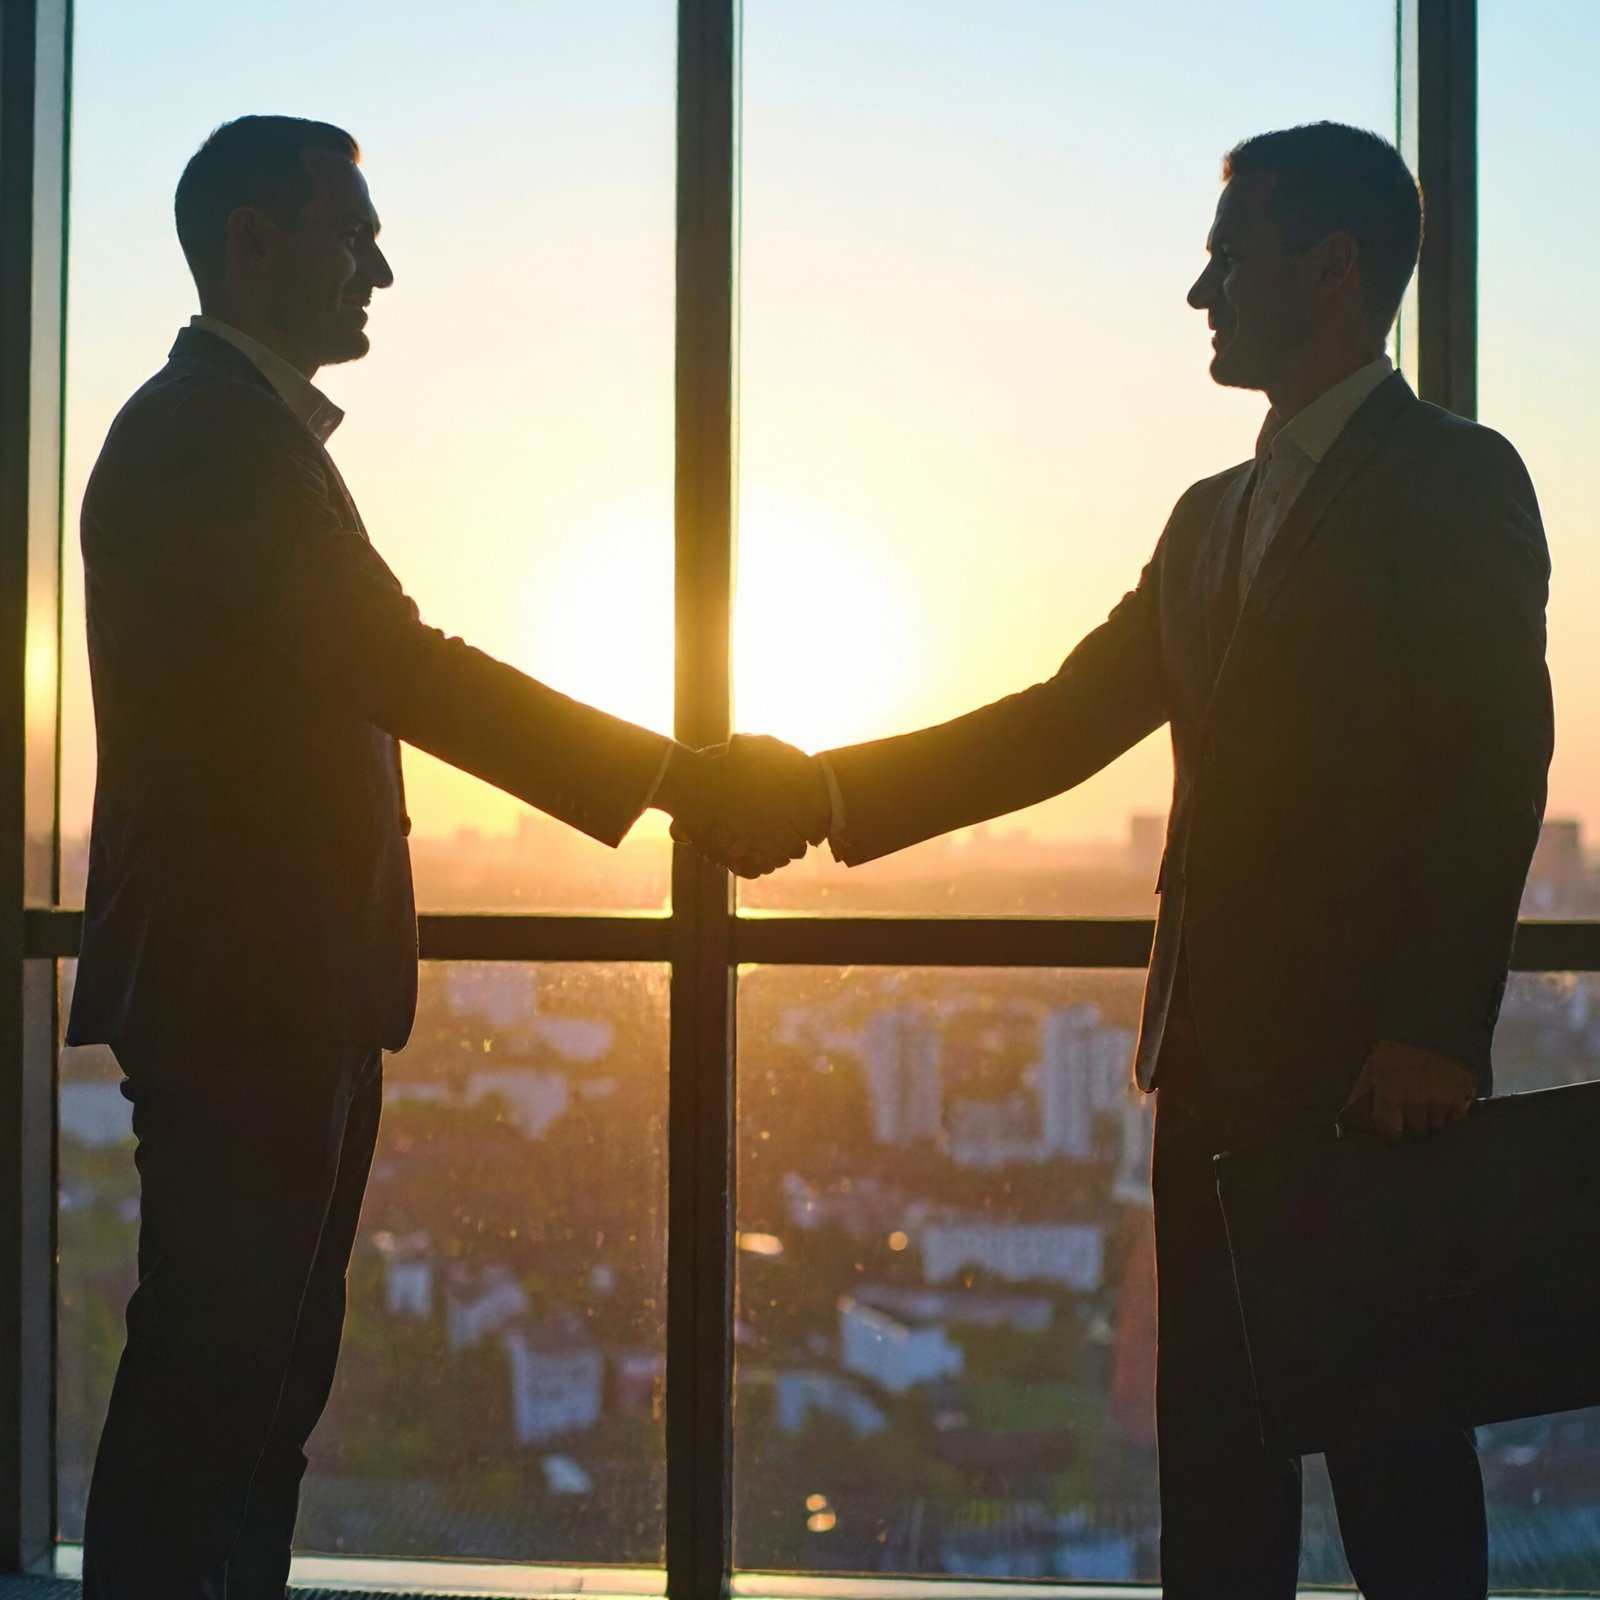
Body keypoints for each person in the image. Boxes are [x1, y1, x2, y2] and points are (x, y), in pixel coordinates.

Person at [712, 123, 1552, 1598]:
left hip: (1373, 1082)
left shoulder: (1458, 479)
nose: (1200, 292)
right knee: (1214, 1471)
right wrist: (827, 793)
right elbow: (1062, 724)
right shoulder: (1206, 518)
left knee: (1399, 1477)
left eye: (1229, 256)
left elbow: (1495, 765)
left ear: (1333, 267)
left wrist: (1434, 1031)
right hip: (1212, 1065)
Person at [69, 114, 824, 1598]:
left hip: (267, 984)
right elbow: (402, 665)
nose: (383, 270)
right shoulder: (215, 438)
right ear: (254, 242)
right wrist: (679, 780)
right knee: (221, 1390)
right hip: (248, 991)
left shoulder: (224, 432)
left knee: (252, 1384)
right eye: (354, 234)